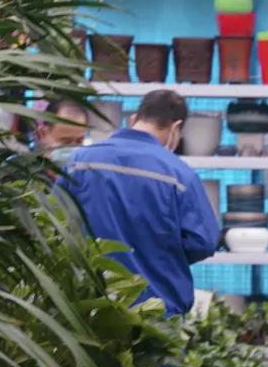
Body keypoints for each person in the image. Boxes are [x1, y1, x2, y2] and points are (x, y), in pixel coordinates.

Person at [54, 88, 220, 315]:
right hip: (155, 311)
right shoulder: (179, 176)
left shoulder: (79, 162)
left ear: (133, 119)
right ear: (176, 127)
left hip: (90, 306)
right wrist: (160, 251)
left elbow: (55, 220)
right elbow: (203, 241)